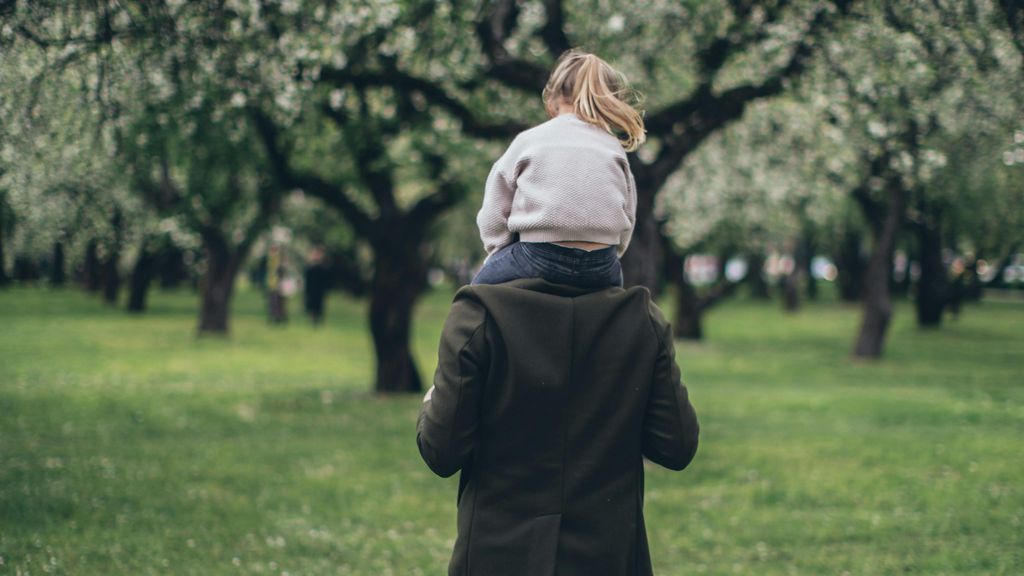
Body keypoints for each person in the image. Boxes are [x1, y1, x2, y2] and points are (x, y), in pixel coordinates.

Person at [417, 278, 700, 575]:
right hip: (609, 557)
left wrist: (432, 398)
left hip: (499, 556)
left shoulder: (480, 311)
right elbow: (675, 446)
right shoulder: (641, 316)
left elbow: (442, 451)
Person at [473, 49, 645, 288]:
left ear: (551, 96)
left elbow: (493, 212)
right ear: (608, 101)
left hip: (538, 256)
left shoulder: (529, 140)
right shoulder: (614, 148)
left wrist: (498, 250)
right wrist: (611, 252)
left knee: (475, 296)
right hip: (601, 263)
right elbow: (629, 213)